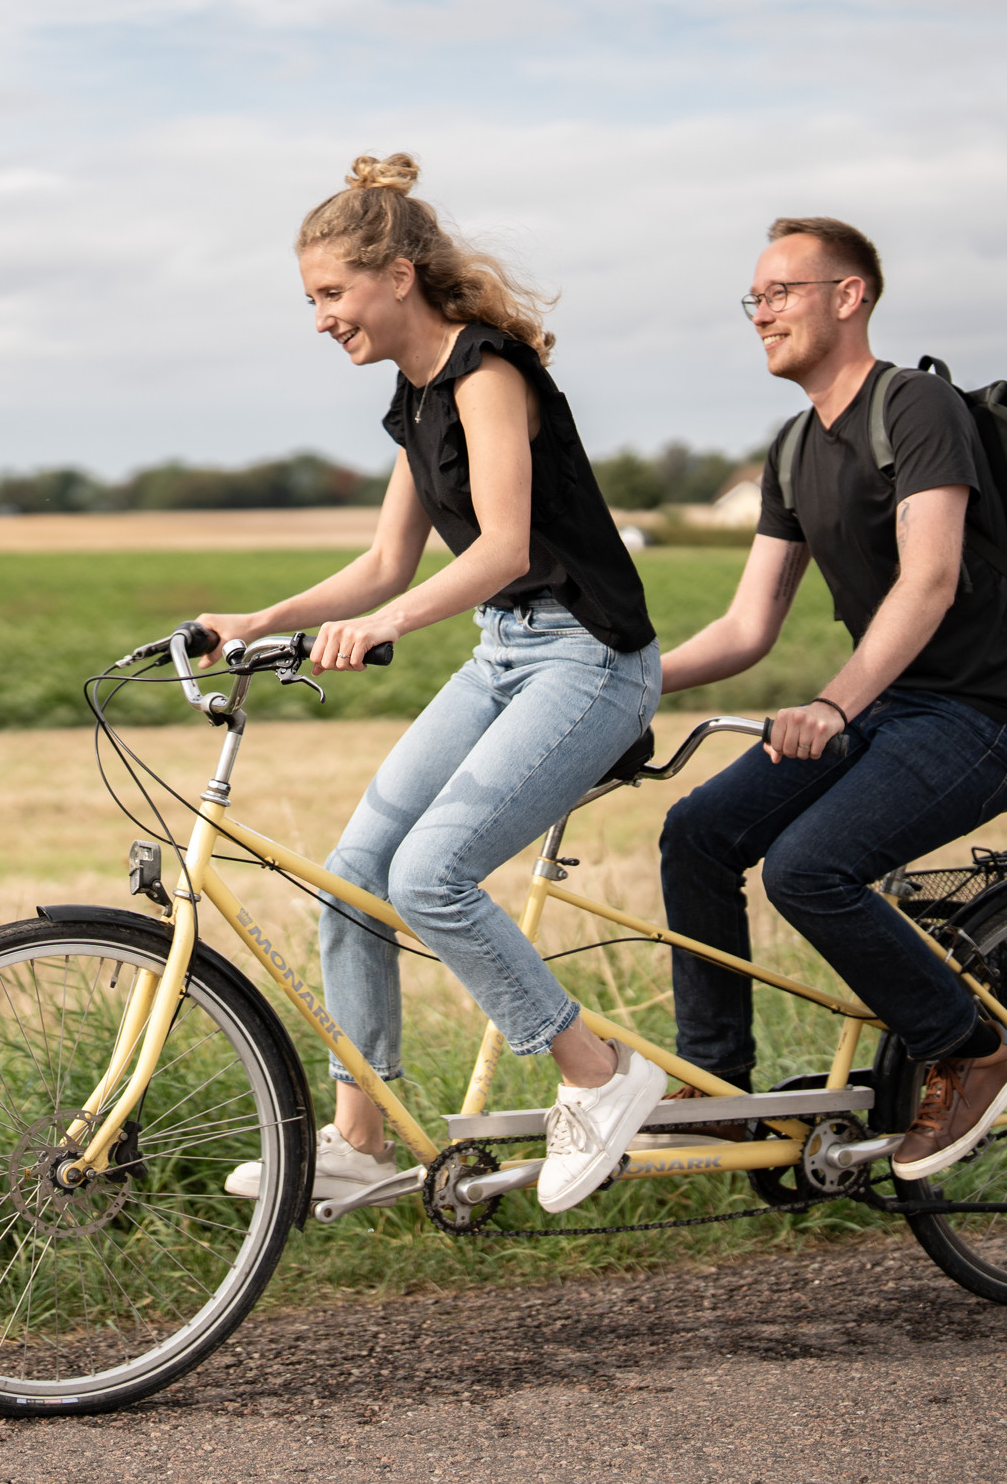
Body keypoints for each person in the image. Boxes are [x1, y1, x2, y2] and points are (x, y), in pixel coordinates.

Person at [206, 154, 666, 1213]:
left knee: (430, 875)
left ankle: (598, 1074)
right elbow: (382, 564)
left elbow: (501, 545)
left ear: (399, 274)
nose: (320, 318)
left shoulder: (488, 374)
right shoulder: (414, 401)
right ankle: (362, 1135)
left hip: (588, 656)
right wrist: (259, 620)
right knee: (354, 872)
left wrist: (384, 626)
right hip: (505, 651)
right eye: (310, 299)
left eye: (331, 293)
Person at [656, 216, 1007, 1179]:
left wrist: (835, 705)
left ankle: (975, 1052)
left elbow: (927, 580)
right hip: (892, 708)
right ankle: (721, 1086)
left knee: (808, 868)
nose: (763, 314)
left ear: (851, 297)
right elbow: (746, 626)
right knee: (699, 832)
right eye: (754, 299)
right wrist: (622, 680)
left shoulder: (917, 405)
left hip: (986, 711)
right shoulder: (795, 446)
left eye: (784, 292)